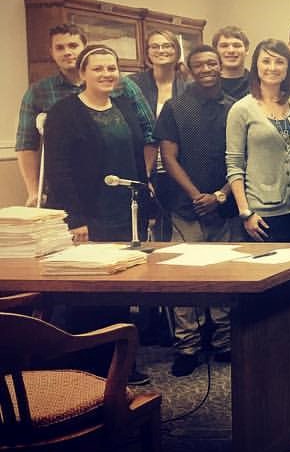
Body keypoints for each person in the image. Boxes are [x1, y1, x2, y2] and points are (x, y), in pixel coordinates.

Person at [43, 44, 153, 385]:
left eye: (112, 68)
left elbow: (137, 162)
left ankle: (120, 366)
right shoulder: (64, 112)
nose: (107, 74)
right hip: (87, 218)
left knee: (120, 293)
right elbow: (58, 171)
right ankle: (88, 370)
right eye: (98, 68)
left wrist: (145, 210)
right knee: (88, 296)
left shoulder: (123, 108)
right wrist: (76, 221)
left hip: (125, 215)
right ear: (82, 74)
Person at [155, 45, 241, 377]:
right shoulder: (175, 108)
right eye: (199, 64)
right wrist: (196, 196)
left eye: (212, 63)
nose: (207, 68)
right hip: (184, 207)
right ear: (187, 70)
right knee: (186, 279)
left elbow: (238, 157)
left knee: (223, 275)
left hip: (224, 207)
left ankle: (223, 342)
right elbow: (168, 157)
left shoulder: (234, 108)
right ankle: (188, 347)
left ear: (220, 67)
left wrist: (218, 196)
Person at [16, 23, 155, 208]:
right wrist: (33, 191)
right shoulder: (39, 92)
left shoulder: (123, 87)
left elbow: (149, 132)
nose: (67, 52)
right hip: (73, 191)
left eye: (73, 46)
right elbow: (27, 143)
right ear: (51, 52)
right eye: (60, 47)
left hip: (120, 186)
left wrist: (142, 177)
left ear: (84, 48)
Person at [226, 38, 290, 242]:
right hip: (262, 216)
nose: (272, 67)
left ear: (288, 67)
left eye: (279, 62)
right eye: (266, 61)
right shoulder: (242, 109)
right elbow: (234, 165)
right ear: (256, 65)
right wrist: (245, 212)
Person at [131, 29, 191, 242]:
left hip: (178, 167)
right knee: (144, 226)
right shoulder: (133, 85)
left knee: (173, 228)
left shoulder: (188, 86)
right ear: (147, 53)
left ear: (177, 51)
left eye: (167, 46)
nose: (161, 50)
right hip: (143, 167)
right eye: (155, 46)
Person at [213, 25, 251, 100]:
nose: (231, 50)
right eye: (224, 46)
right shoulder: (205, 86)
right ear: (215, 51)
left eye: (237, 46)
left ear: (246, 50)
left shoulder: (259, 86)